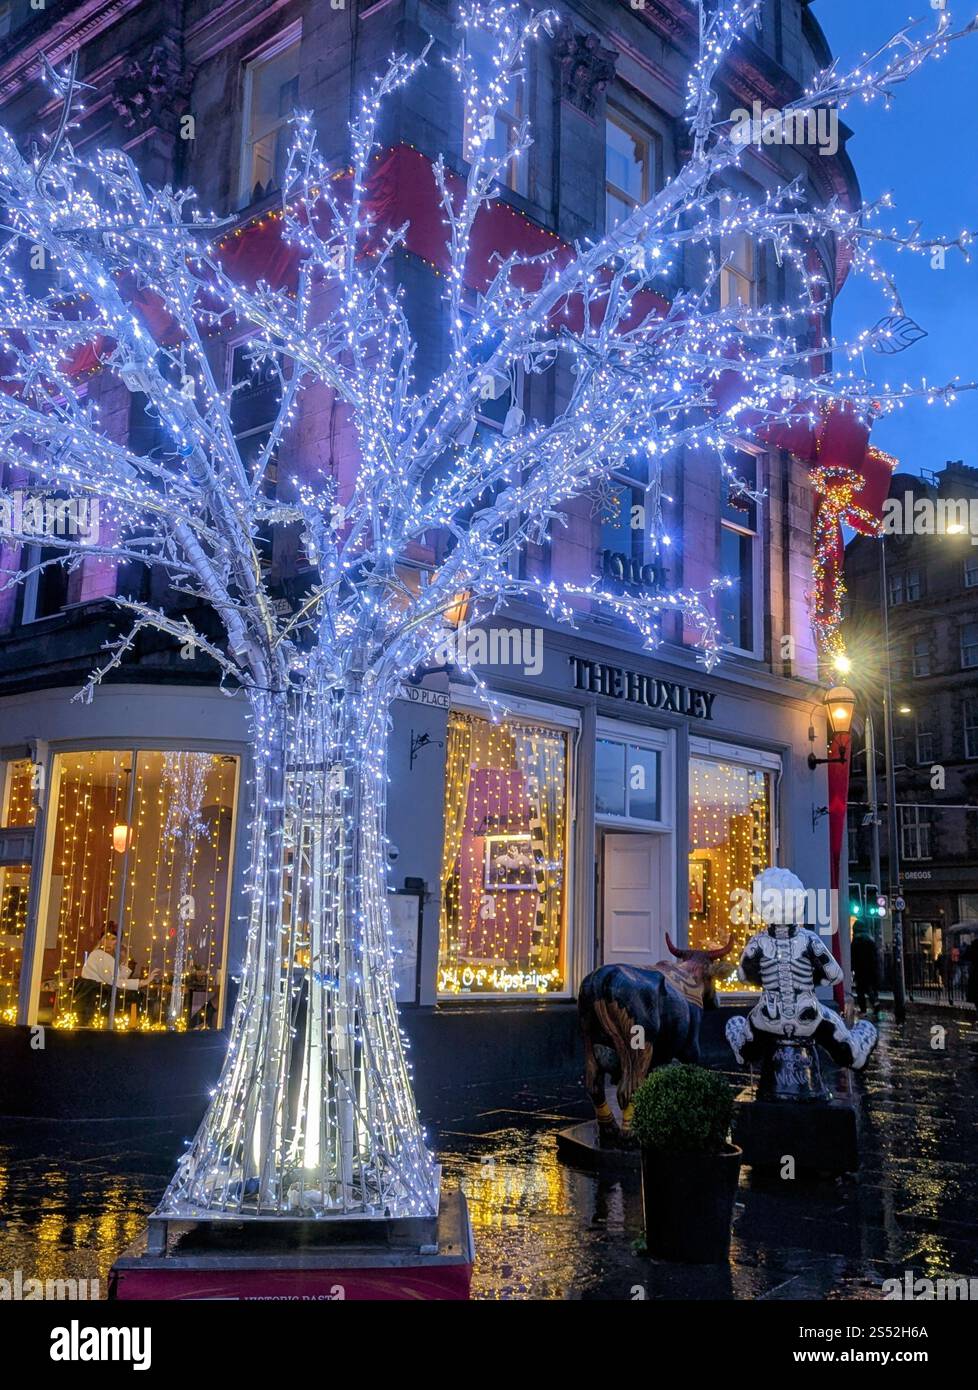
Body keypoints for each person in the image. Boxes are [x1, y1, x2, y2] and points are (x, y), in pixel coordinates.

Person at [81, 927, 161, 994]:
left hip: (97, 995)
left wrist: (125, 960)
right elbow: (116, 983)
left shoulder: (105, 956)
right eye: (106, 938)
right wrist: (143, 982)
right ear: (101, 940)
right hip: (94, 997)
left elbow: (120, 979)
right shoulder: (99, 955)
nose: (108, 942)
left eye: (113, 939)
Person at [850, 923, 880, 1015]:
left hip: (860, 969)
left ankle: (863, 1009)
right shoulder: (870, 939)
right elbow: (876, 955)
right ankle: (875, 1002)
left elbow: (853, 956)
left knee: (860, 990)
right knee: (871, 988)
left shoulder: (856, 940)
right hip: (871, 969)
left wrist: (852, 968)